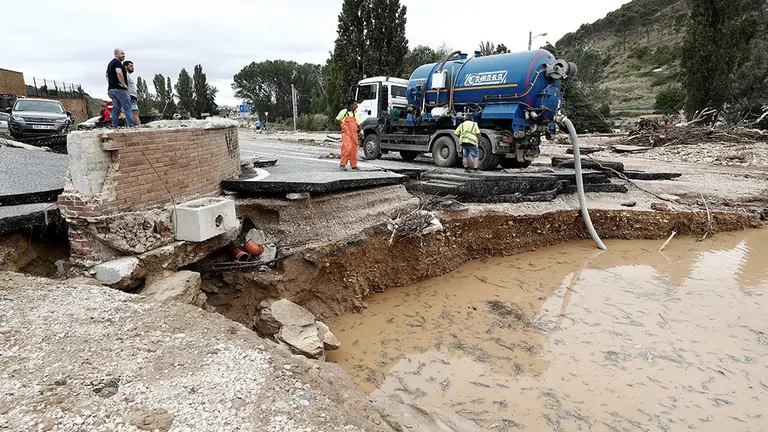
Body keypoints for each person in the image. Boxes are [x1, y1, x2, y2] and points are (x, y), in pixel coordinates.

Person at [105, 48, 134, 127]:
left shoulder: (110, 63)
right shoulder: (117, 63)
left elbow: (106, 75)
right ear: (116, 54)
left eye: (124, 54)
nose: (123, 55)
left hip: (111, 89)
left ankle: (114, 126)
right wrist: (123, 84)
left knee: (116, 109)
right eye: (122, 54)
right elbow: (119, 72)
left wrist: (111, 83)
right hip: (120, 89)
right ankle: (131, 126)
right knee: (127, 108)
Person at [335, 99, 362, 171]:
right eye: (355, 104)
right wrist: (342, 125)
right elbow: (337, 119)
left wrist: (361, 130)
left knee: (354, 149)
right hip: (346, 133)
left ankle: (354, 165)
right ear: (351, 105)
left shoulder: (356, 113)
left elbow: (358, 123)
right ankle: (342, 164)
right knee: (347, 147)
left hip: (354, 133)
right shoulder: (344, 112)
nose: (357, 106)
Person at [123, 60, 140, 126]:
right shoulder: (125, 75)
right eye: (131, 66)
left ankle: (134, 126)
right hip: (130, 96)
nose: (133, 67)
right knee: (134, 113)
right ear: (126, 66)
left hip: (132, 96)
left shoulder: (128, 75)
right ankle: (138, 128)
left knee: (135, 113)